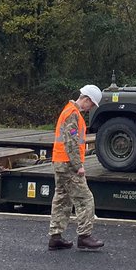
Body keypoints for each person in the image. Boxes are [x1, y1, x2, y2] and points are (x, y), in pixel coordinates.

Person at [47, 84, 104, 251]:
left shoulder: (67, 111)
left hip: (59, 161)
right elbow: (71, 142)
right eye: (91, 104)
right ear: (86, 100)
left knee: (62, 199)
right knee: (85, 199)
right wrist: (78, 165)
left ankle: (55, 237)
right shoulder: (73, 114)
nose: (90, 108)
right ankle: (85, 236)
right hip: (68, 163)